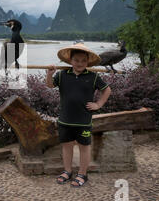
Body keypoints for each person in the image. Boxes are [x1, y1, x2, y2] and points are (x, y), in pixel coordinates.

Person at [45, 43, 111, 187]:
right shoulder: (62, 75)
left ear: (88, 62)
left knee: (84, 147)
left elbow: (107, 90)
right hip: (65, 120)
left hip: (83, 121)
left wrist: (98, 104)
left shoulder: (93, 77)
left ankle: (82, 174)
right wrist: (49, 74)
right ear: (70, 61)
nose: (80, 63)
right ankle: (67, 171)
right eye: (76, 60)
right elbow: (50, 85)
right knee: (66, 146)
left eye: (83, 61)